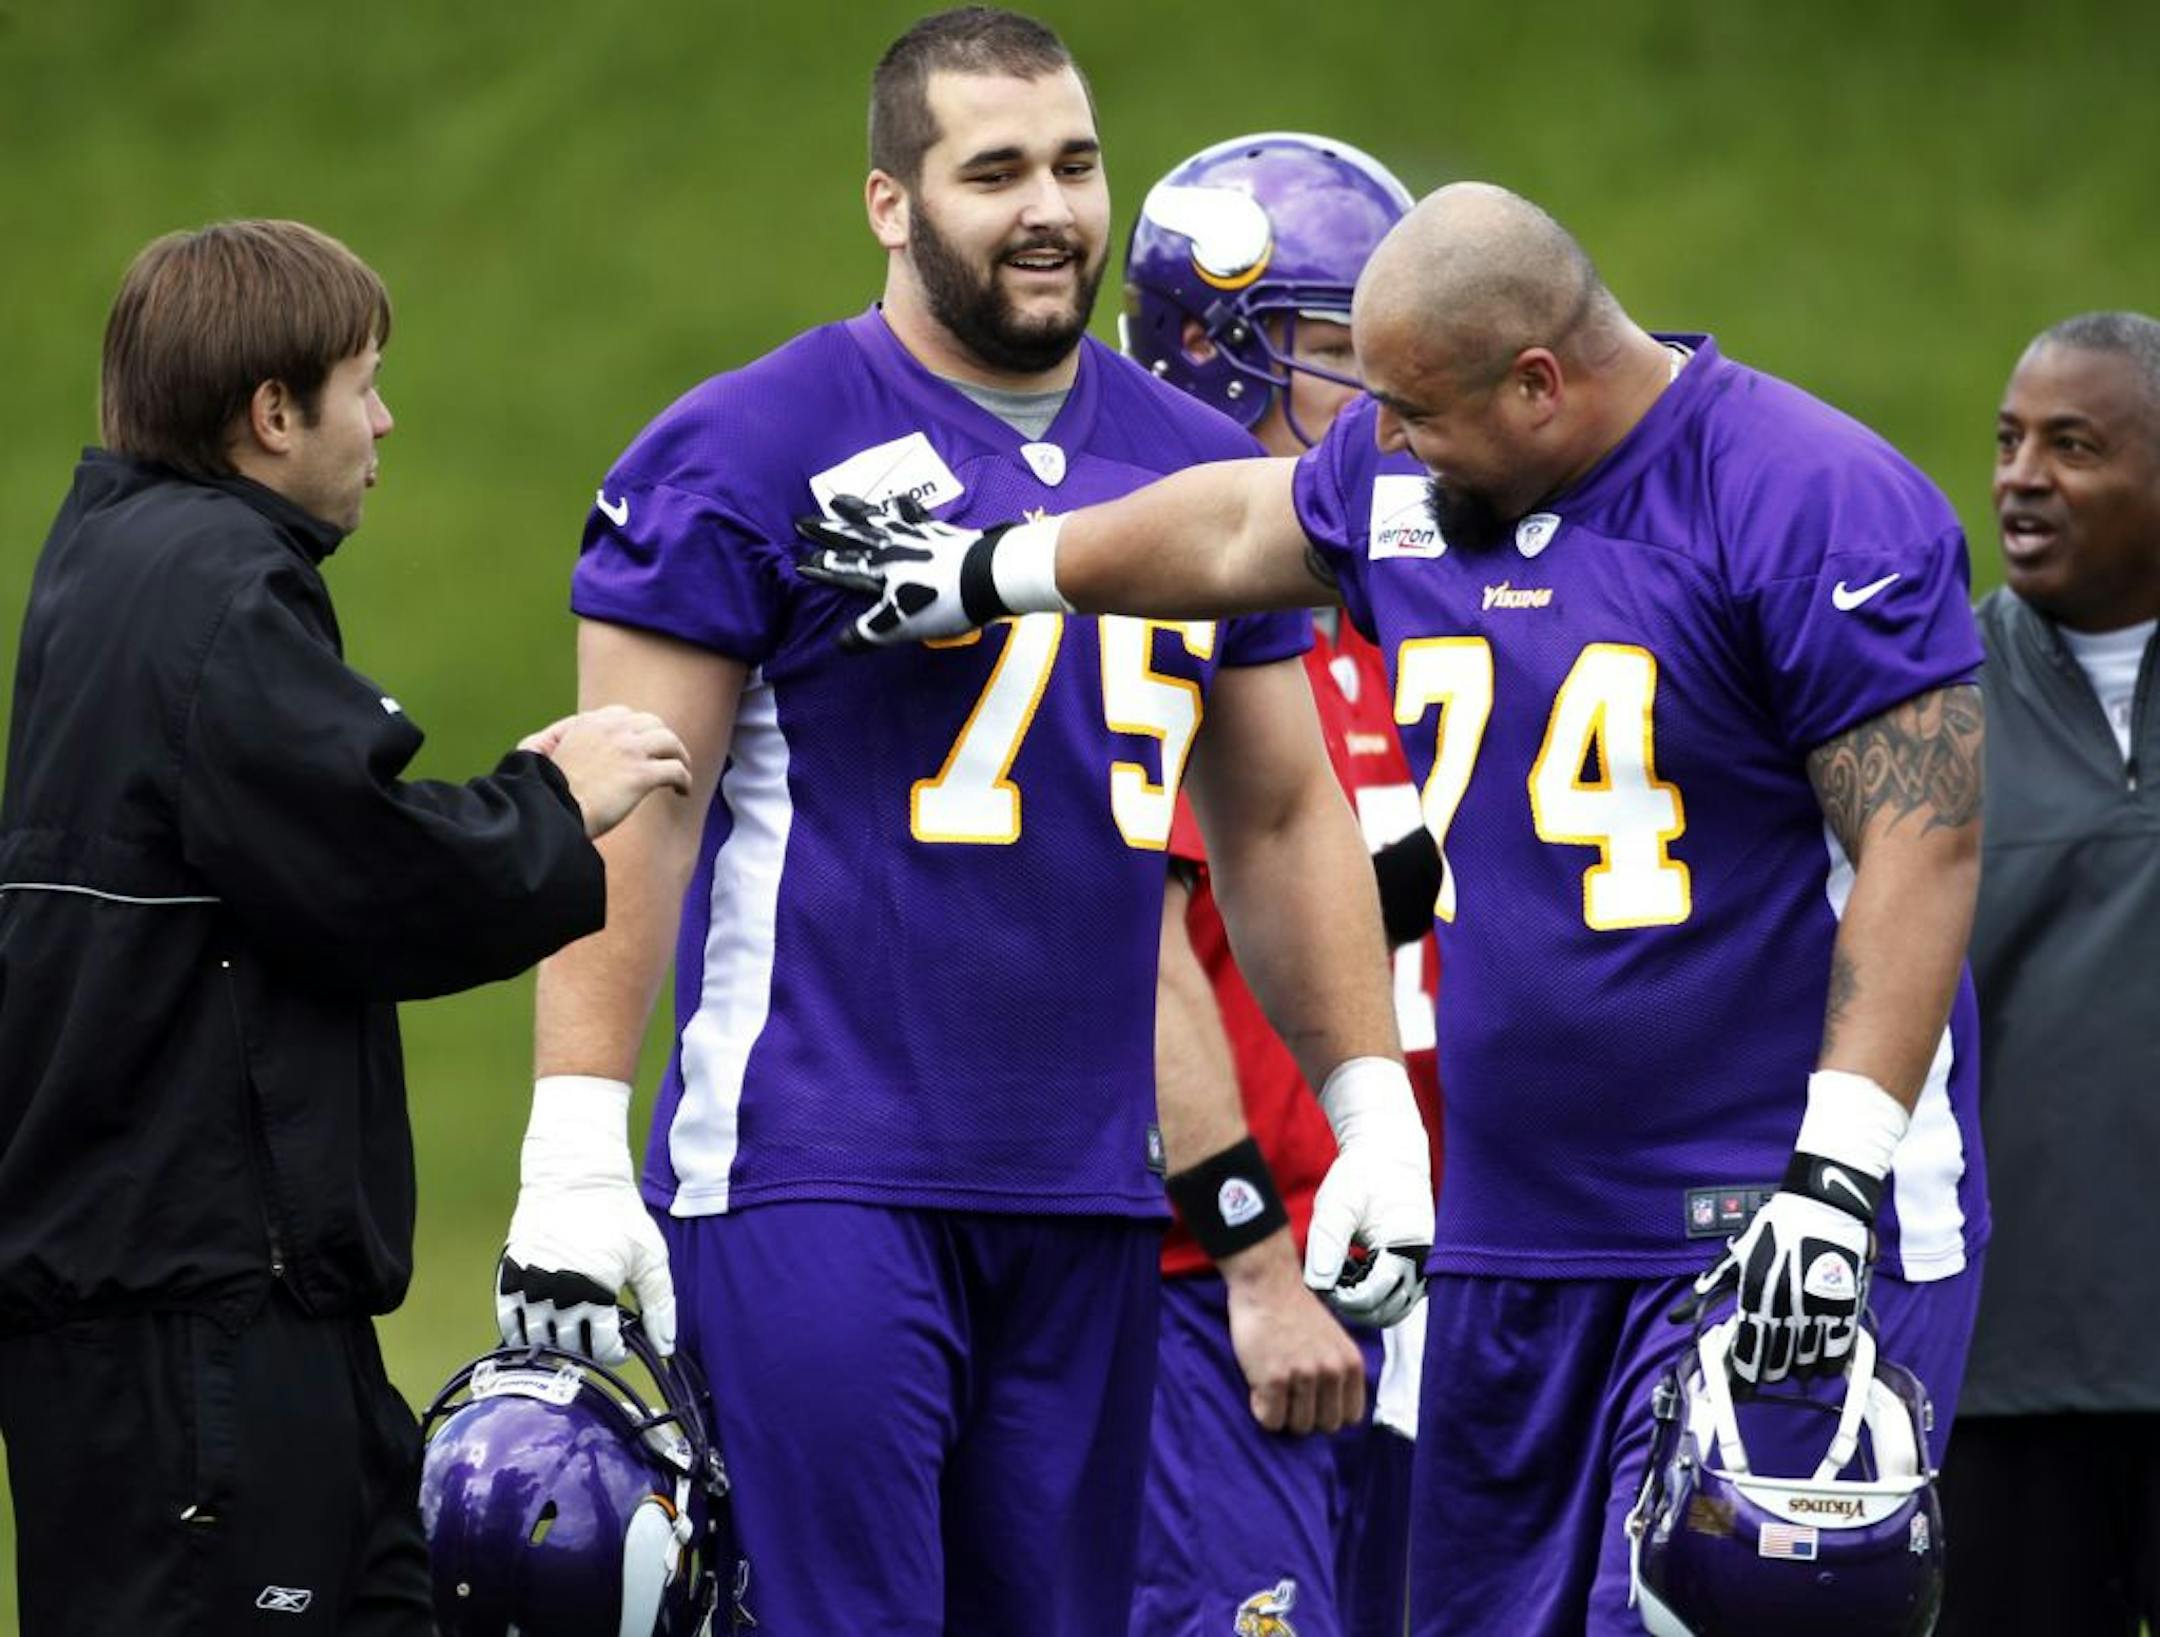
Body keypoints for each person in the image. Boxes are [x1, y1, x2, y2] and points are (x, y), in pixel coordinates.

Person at [798, 180, 1991, 1635]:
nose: (1387, 445)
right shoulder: (1412, 475)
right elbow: (1235, 531)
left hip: (1760, 1225)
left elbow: (1925, 844)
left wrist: (1838, 1174)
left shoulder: (1812, 499)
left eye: (1416, 413)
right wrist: (994, 570)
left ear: (1538, 383)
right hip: (1517, 1229)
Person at [489, 11, 1434, 1631]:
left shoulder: (1191, 463)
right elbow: (631, 806)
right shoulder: (748, 444)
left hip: (1088, 1192)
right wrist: (571, 1141)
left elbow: (1282, 817)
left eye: (1075, 164)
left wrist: (1371, 1110)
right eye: (994, 172)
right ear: (889, 201)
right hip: (818, 1175)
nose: (1048, 208)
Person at [0, 219, 691, 1635]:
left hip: (160, 1310)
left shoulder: (113, 557)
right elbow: (369, 876)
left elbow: (292, 842)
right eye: (362, 386)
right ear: (273, 413)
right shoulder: (215, 586)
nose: (384, 422)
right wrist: (556, 801)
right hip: (198, 1324)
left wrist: (493, 808)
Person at [1119, 132, 1441, 1637]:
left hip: (1401, 1270)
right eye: (1343, 353)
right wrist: (1253, 1257)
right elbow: (1140, 962)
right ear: (1220, 349)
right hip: (1235, 1284)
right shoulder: (1175, 604)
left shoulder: (1377, 590)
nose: (1390, 396)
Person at [1939, 310, 2160, 1637]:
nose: (2021, 478)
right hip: (2001, 1371)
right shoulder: (1930, 705)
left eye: (2072, 446)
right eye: (2010, 441)